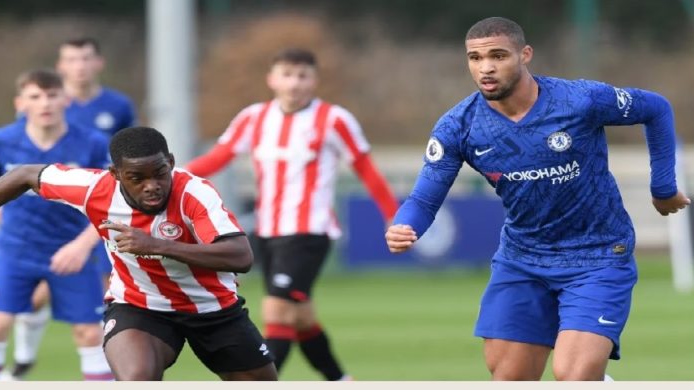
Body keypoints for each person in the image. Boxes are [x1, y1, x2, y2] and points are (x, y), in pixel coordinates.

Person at [384, 17, 690, 381]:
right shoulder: (459, 127)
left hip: (598, 255)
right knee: (511, 378)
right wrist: (404, 225)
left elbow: (655, 108)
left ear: (525, 54)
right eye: (475, 58)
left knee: (573, 375)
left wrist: (663, 187)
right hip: (523, 260)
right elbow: (423, 199)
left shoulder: (579, 101)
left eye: (498, 56)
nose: (486, 67)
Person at [0, 126, 278, 381]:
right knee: (136, 378)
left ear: (170, 162)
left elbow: (240, 256)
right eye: (136, 177)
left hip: (213, 310)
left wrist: (156, 245)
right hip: (140, 307)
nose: (152, 185)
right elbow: (22, 174)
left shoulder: (195, 193)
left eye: (160, 173)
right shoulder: (93, 188)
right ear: (116, 174)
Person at [185, 48, 399, 380]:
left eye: (303, 76)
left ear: (314, 80)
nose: (294, 83)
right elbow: (218, 157)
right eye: (287, 75)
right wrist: (173, 176)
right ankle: (342, 381)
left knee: (277, 311)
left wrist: (393, 215)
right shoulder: (254, 117)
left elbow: (365, 168)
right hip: (268, 231)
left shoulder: (334, 119)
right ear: (272, 79)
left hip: (309, 231)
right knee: (301, 319)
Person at [0, 69, 113, 381]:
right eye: (35, 96)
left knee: (90, 333)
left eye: (52, 95)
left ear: (66, 100)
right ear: (20, 103)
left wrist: (81, 246)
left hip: (72, 251)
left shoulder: (93, 143)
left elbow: (111, 201)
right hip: (15, 249)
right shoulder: (1, 140)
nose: (45, 103)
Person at [6, 37, 138, 380]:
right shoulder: (46, 102)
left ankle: (114, 366)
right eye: (72, 59)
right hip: (54, 216)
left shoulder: (117, 105)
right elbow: (17, 152)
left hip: (100, 214)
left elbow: (130, 155)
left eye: (85, 58)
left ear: (98, 63)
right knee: (35, 295)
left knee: (112, 295)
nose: (79, 66)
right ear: (61, 66)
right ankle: (23, 360)